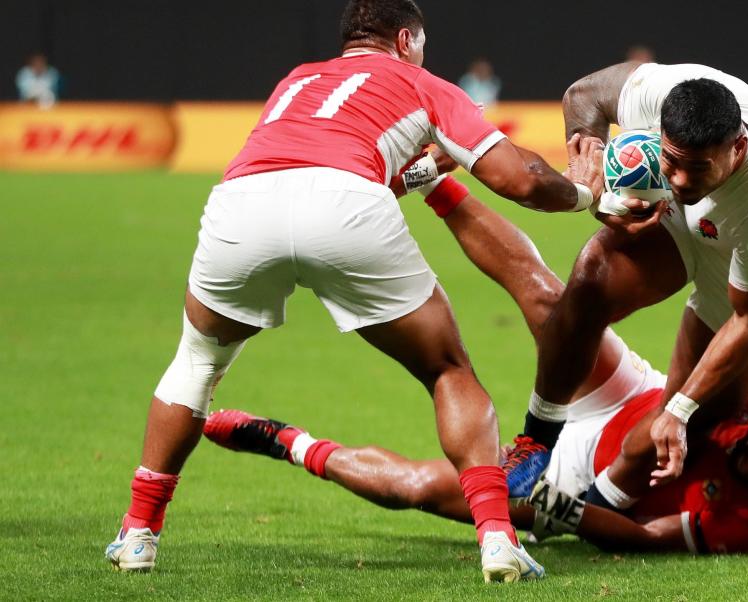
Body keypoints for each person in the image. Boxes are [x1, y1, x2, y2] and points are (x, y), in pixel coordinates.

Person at [103, 0, 605, 581]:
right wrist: (582, 193)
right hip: (343, 205)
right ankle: (497, 540)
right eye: (422, 44)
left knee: (196, 362)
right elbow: (519, 179)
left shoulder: (297, 80)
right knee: (447, 369)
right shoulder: (419, 80)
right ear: (405, 39)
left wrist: (417, 172)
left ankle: (139, 534)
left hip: (242, 203)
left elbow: (316, 159)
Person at [203, 182, 748, 554]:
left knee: (419, 489)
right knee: (553, 302)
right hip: (637, 400)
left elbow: (640, 540)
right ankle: (435, 179)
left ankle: (287, 442)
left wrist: (547, 505)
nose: (747, 453)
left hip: (592, 490)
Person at [507, 62, 748, 518]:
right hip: (675, 222)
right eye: (669, 161)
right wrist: (590, 172)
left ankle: (595, 514)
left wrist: (680, 406)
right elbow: (583, 96)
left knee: (691, 418)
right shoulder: (662, 92)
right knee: (591, 278)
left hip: (736, 257)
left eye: (696, 168)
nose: (678, 179)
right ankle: (537, 440)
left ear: (739, 147)